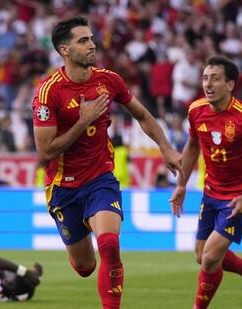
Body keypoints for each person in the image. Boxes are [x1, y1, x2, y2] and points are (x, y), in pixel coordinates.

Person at [32, 16, 182, 309]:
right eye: (83, 40)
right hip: (63, 187)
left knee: (110, 246)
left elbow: (141, 114)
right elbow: (46, 152)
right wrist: (82, 122)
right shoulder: (48, 93)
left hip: (100, 177)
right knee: (85, 266)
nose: (92, 44)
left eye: (91, 38)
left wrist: (165, 147)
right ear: (64, 50)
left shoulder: (109, 80)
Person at [169, 55, 242, 309]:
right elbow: (193, 144)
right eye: (205, 78)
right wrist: (182, 184)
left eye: (215, 79)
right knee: (201, 256)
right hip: (211, 192)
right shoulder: (196, 110)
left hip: (239, 196)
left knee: (209, 259)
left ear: (230, 85)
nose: (208, 84)